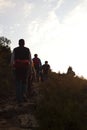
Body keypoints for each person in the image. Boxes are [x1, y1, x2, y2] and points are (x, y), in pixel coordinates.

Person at [11, 39, 32, 104]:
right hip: (25, 68)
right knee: (24, 82)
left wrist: (12, 67)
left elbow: (12, 59)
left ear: (18, 43)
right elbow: (30, 60)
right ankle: (23, 96)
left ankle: (18, 98)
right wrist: (30, 69)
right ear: (24, 43)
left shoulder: (15, 49)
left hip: (17, 68)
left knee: (18, 82)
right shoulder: (27, 49)